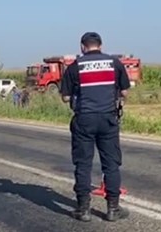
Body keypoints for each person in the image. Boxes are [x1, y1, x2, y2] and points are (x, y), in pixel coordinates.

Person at [60, 32, 131, 223]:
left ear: (82, 47)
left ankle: (83, 210)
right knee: (111, 164)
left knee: (83, 164)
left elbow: (65, 97)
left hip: (84, 120)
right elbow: (124, 92)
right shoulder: (114, 63)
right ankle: (113, 209)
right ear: (101, 45)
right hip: (108, 118)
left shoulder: (75, 67)